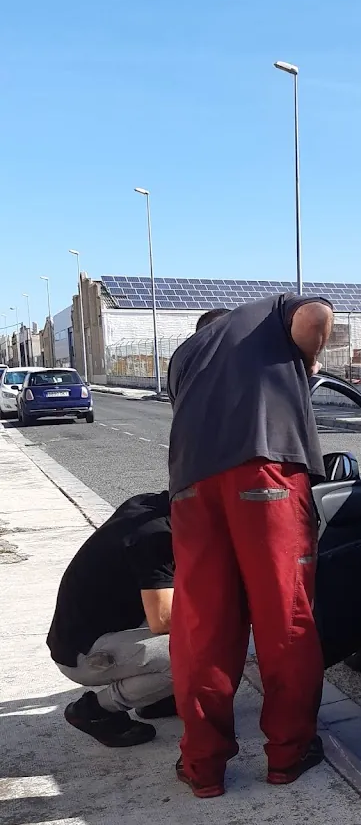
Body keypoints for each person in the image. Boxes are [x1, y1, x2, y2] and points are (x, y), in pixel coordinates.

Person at [166, 296, 333, 798]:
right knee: (286, 618)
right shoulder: (267, 314)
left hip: (192, 484)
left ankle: (202, 767)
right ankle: (287, 753)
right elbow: (316, 316)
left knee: (203, 625)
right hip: (266, 474)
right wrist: (309, 358)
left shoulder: (184, 358)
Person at [48, 491, 176, 747]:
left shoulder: (149, 506)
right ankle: (96, 711)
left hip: (83, 634)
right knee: (200, 654)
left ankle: (153, 698)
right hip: (86, 655)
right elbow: (163, 619)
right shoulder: (155, 536)